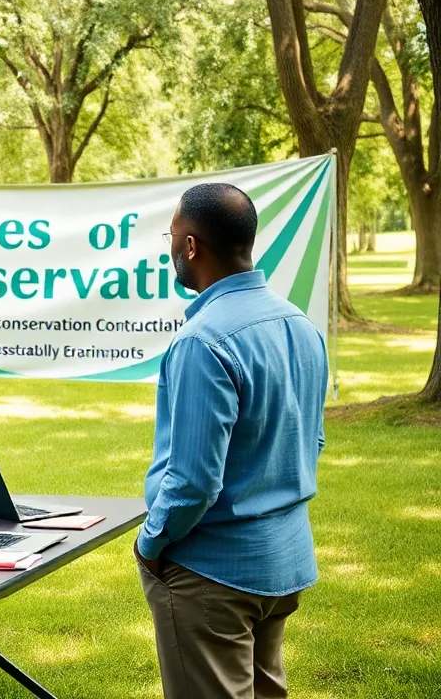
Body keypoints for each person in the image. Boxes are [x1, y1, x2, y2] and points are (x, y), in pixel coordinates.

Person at [136, 183, 328, 699]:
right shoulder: (301, 325)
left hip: (209, 571)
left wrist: (151, 542)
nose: (170, 248)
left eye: (171, 236)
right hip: (283, 561)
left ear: (191, 246)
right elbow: (313, 441)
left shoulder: (202, 341)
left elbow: (194, 481)